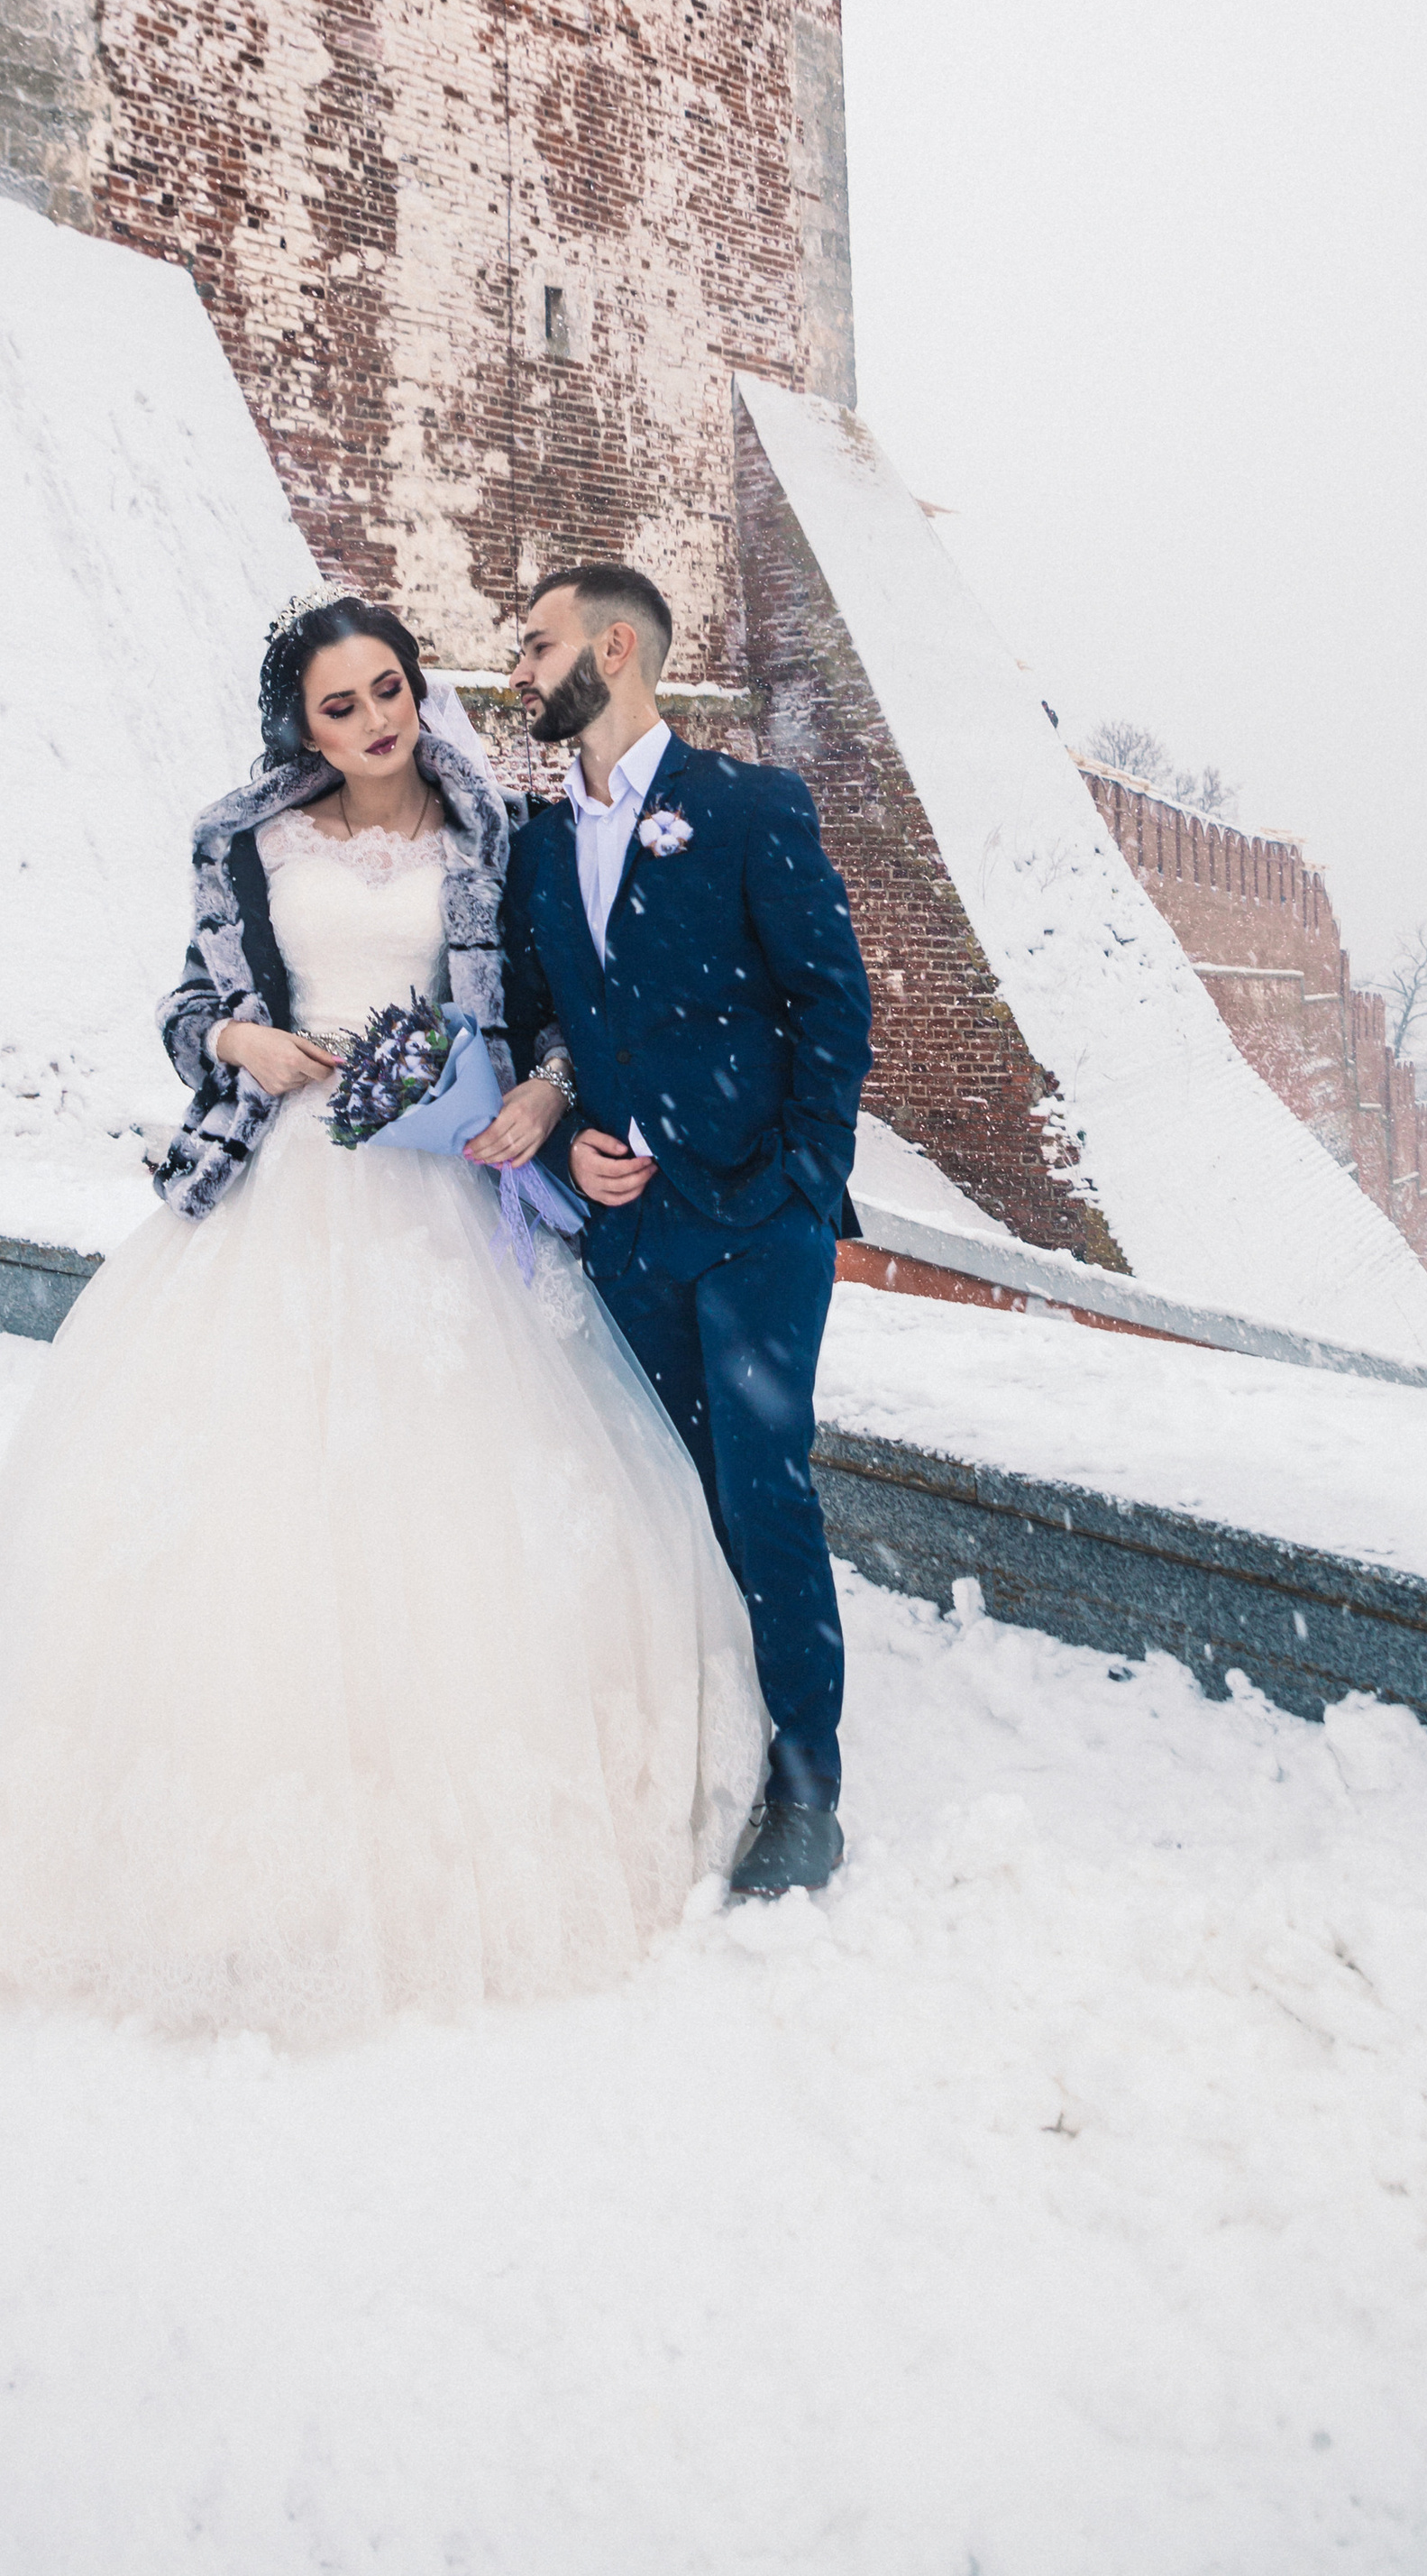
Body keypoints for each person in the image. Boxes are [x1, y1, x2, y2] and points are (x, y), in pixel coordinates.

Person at [0, 594, 766, 2051]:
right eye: (339, 707)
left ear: (420, 687)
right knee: (243, 1517)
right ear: (298, 730)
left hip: (441, 1188)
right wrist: (238, 1037)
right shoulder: (246, 841)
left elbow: (549, 1020)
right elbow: (188, 1005)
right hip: (284, 1181)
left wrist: (541, 1099)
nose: (374, 723)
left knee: (457, 1512)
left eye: (389, 690)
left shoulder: (498, 839)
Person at [476, 564, 873, 1898]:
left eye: (535, 647)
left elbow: (832, 1005)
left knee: (766, 1493)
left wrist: (804, 1180)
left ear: (617, 646)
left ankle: (807, 1787)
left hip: (757, 1219)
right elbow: (550, 1020)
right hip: (627, 1233)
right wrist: (571, 1119)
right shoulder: (537, 847)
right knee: (666, 1497)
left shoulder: (749, 807)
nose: (517, 672)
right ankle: (704, 1740)